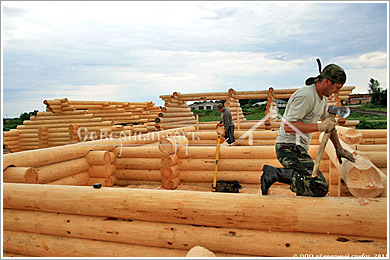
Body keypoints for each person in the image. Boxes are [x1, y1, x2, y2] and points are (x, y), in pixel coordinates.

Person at [261, 60, 355, 197]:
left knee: (307, 186)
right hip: (288, 147)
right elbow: (288, 126)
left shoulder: (322, 99)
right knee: (319, 186)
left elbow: (329, 126)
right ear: (327, 82)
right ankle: (274, 174)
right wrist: (320, 126)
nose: (337, 92)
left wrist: (338, 148)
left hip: (299, 147)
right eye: (337, 87)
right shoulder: (305, 96)